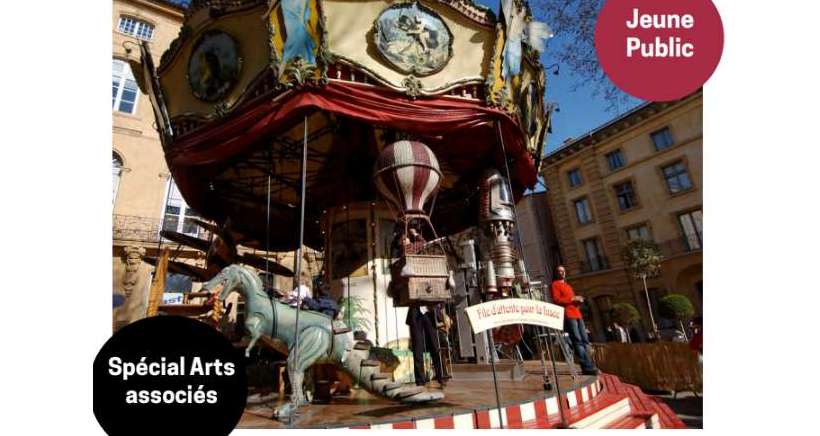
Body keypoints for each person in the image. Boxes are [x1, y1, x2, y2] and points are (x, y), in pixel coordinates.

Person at [550, 265, 598, 375]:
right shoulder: (555, 285)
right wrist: (572, 298)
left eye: (563, 271)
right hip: (569, 315)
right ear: (556, 273)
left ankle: (589, 364)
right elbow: (557, 300)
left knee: (585, 340)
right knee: (577, 340)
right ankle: (587, 367)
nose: (562, 273)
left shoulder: (567, 285)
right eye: (559, 271)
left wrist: (578, 300)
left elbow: (570, 300)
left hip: (577, 314)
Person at [406, 303, 446, 388]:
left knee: (435, 346)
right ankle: (420, 381)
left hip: (430, 312)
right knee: (417, 348)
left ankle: (441, 377)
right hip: (416, 312)